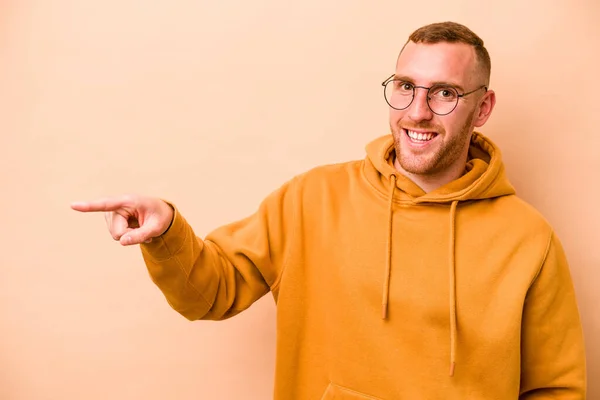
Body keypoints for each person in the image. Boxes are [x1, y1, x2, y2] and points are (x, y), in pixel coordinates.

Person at [71, 21, 587, 399]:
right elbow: (210, 293)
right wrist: (167, 234)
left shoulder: (528, 239)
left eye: (445, 93)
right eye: (406, 87)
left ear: (484, 108)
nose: (417, 112)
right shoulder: (311, 199)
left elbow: (554, 389)